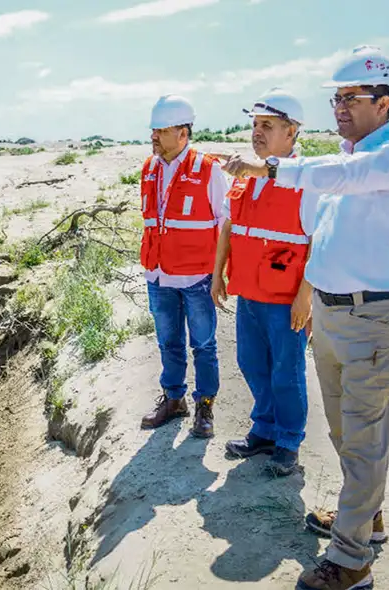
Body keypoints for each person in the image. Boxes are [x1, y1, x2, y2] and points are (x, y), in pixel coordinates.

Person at [215, 46, 389, 590]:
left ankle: (353, 560)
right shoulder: (344, 157)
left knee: (363, 436)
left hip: (373, 316)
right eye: (335, 97)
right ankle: (367, 517)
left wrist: (272, 165)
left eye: (350, 97)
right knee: (344, 431)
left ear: (383, 103)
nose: (339, 106)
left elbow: (345, 176)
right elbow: (322, 230)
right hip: (332, 319)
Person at [210, 88, 318, 477]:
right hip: (249, 293)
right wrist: (218, 273)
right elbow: (228, 226)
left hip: (285, 297)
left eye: (267, 126)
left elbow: (318, 241)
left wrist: (306, 297)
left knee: (286, 370)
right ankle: (264, 429)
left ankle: (288, 441)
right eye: (255, 125)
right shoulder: (243, 175)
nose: (257, 132)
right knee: (252, 362)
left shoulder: (306, 180)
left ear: (291, 132)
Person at [138, 94, 231, 439]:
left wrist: (220, 273)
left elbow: (226, 222)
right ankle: (174, 399)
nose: (154, 137)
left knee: (203, 345)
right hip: (158, 275)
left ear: (183, 132)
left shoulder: (209, 169)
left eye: (161, 131)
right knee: (168, 341)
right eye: (153, 130)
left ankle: (205, 405)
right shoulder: (148, 169)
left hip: (196, 277)